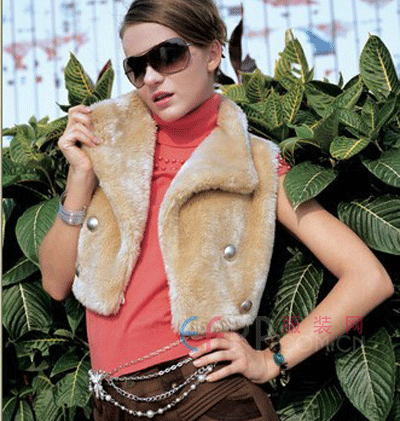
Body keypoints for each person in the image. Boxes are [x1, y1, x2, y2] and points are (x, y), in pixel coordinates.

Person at [39, 0, 394, 419]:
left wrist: (273, 359)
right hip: (111, 402)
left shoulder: (256, 164)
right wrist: (80, 178)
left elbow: (369, 279)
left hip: (210, 399)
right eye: (136, 67)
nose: (151, 77)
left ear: (212, 53)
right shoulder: (107, 147)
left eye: (167, 55)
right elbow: (55, 284)